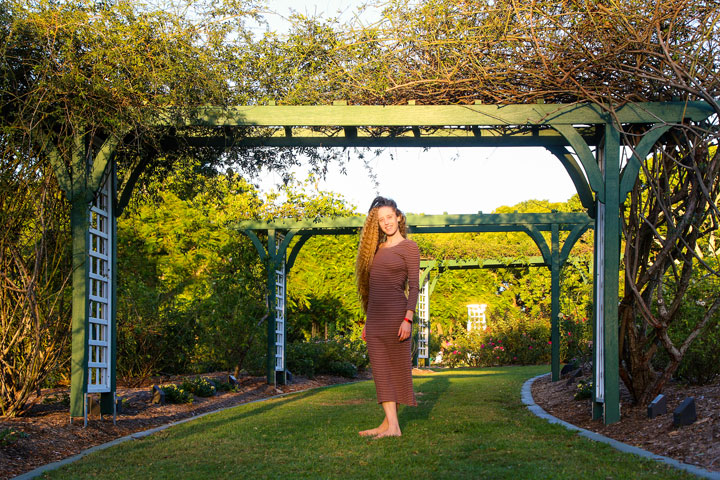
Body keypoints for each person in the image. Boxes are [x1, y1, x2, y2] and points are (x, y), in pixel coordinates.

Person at [355, 196, 420, 438]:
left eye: (389, 217)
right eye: (381, 220)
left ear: (398, 217)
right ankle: (388, 424)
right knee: (381, 372)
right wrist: (367, 322)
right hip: (375, 320)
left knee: (396, 370)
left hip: (396, 318)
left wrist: (408, 319)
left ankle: (393, 427)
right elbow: (373, 288)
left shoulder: (409, 248)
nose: (386, 223)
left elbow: (414, 287)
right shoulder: (378, 249)